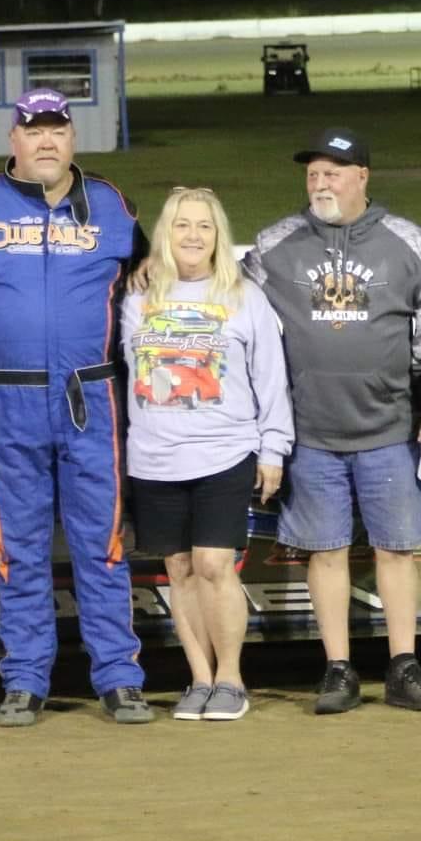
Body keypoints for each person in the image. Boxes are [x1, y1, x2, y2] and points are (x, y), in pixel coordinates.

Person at [0, 87, 151, 728]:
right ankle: (24, 680)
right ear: (13, 140)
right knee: (18, 547)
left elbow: (153, 275)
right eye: (33, 129)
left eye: (57, 129)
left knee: (101, 543)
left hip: (92, 395)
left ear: (73, 137)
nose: (46, 140)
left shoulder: (114, 206)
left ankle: (119, 679)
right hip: (5, 396)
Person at [244, 127, 421, 715]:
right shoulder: (273, 246)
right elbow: (230, 310)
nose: (321, 182)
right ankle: (338, 669)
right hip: (309, 434)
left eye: (334, 172)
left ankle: (403, 665)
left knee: (397, 549)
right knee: (327, 552)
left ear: (362, 177)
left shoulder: (408, 243)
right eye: (313, 173)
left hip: (389, 430)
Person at [121, 186, 292, 723]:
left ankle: (231, 679)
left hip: (226, 452)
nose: (193, 235)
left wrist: (274, 449)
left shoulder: (245, 298)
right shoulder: (137, 299)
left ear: (219, 236)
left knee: (214, 564)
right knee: (179, 569)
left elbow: (272, 379)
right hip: (154, 457)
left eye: (205, 226)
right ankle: (197, 677)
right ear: (164, 236)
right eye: (181, 225)